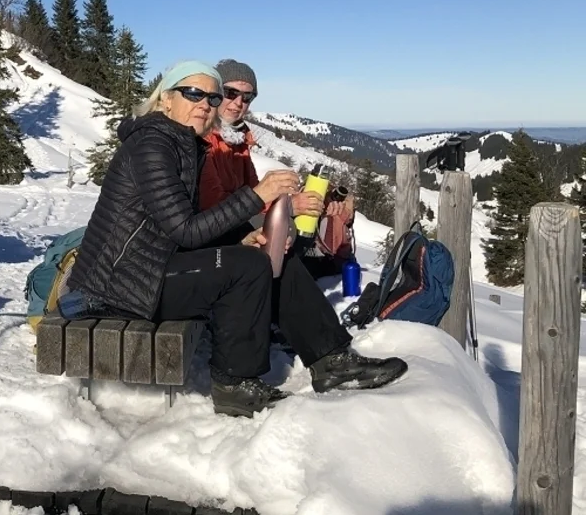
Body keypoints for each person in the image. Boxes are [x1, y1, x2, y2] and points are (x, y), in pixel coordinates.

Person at [58, 60, 406, 418]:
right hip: (113, 288)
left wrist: (245, 237)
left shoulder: (181, 144)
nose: (205, 104)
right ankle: (236, 385)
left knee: (268, 256)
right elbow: (186, 231)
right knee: (248, 266)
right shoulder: (152, 144)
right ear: (165, 99)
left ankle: (332, 360)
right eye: (193, 93)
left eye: (212, 97)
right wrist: (259, 194)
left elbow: (181, 228)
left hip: (146, 271)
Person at [199, 58, 357, 277]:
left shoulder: (237, 139)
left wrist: (294, 202)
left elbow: (254, 195)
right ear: (215, 93)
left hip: (235, 223)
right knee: (285, 230)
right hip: (213, 235)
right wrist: (288, 207)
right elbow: (213, 206)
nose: (238, 103)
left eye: (247, 97)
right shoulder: (203, 138)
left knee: (294, 225)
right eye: (230, 93)